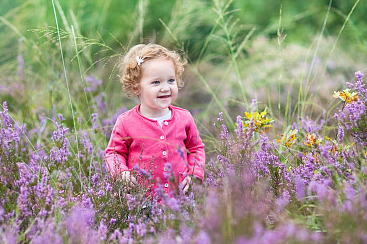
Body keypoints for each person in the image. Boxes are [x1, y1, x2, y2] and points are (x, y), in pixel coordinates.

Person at [105, 43, 205, 195]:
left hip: (179, 198)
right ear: (136, 87)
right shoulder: (126, 122)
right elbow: (114, 153)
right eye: (156, 82)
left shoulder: (184, 118)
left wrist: (194, 173)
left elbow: (196, 148)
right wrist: (121, 173)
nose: (165, 88)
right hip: (142, 200)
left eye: (171, 80)